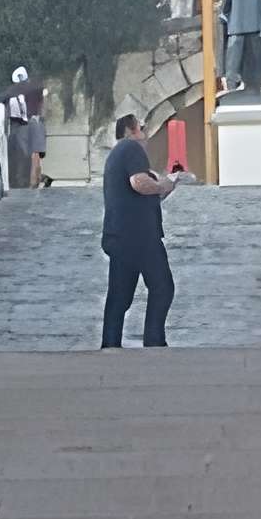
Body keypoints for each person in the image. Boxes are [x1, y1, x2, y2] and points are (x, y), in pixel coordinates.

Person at [100, 111, 177, 348]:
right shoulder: (131, 149)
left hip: (120, 235)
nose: (145, 135)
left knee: (119, 297)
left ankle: (110, 345)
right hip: (139, 237)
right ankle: (154, 340)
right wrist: (163, 183)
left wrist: (164, 189)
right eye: (142, 128)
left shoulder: (117, 154)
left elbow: (136, 196)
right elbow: (139, 184)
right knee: (162, 287)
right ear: (132, 131)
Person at [6, 66, 49, 190]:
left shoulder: (17, 91)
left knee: (27, 152)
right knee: (35, 153)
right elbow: (42, 104)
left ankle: (30, 181)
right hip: (35, 119)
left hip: (24, 122)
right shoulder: (38, 89)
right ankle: (34, 180)